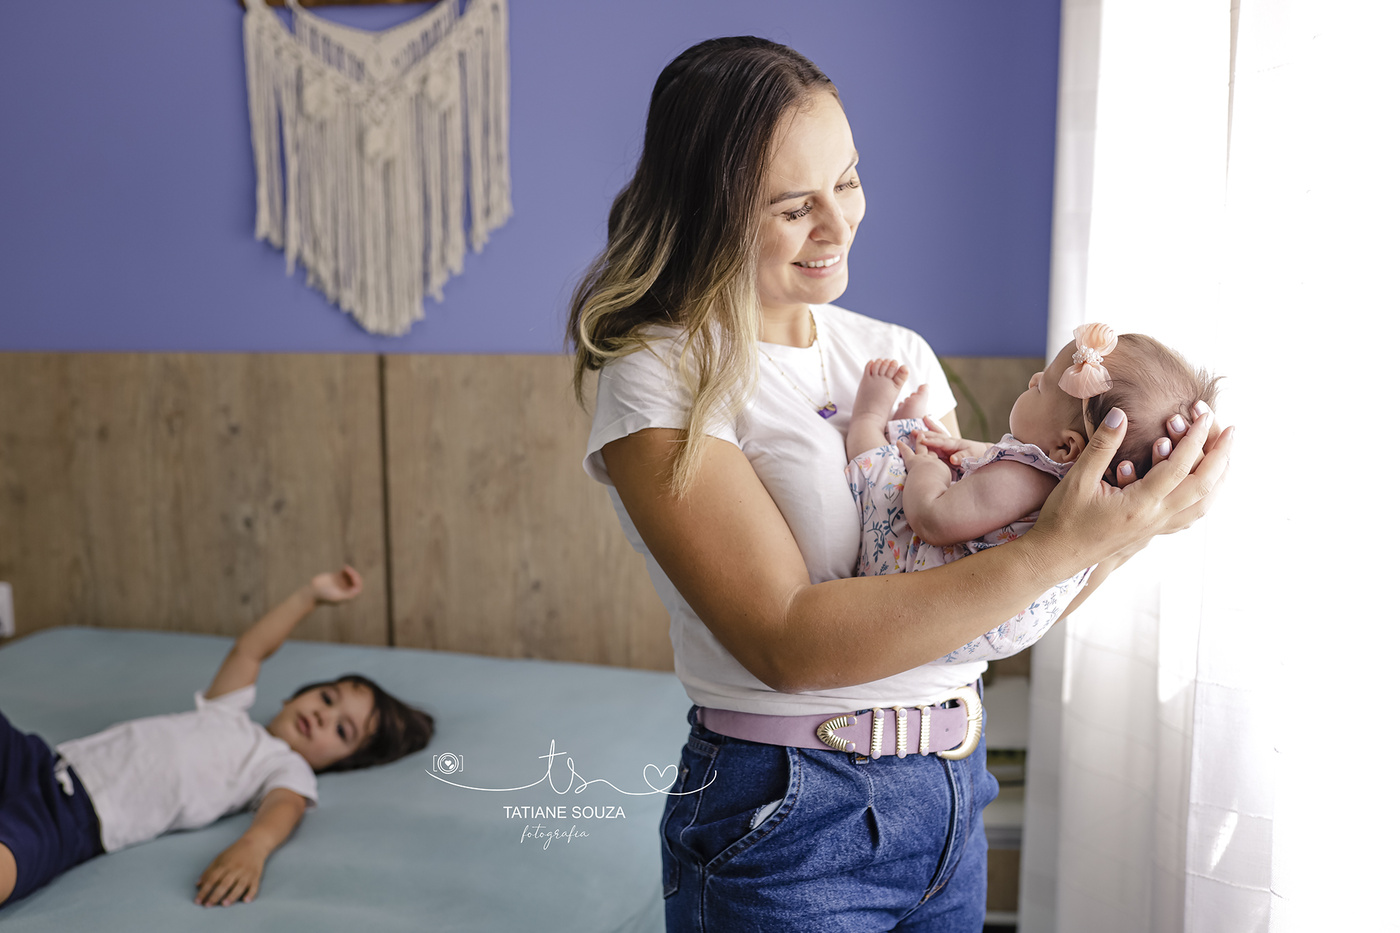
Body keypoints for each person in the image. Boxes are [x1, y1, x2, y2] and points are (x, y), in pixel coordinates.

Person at [570, 36, 1232, 932]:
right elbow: (786, 643)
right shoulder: (661, 373)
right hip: (788, 813)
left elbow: (985, 603)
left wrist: (1131, 519)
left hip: (952, 793)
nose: (838, 226)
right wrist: (1073, 543)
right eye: (794, 206)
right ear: (706, 210)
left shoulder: (894, 351)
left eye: (847, 181)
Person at [0, 566, 434, 909]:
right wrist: (309, 597)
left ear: (341, 762)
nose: (323, 716)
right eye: (327, 697)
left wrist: (253, 848)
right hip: (42, 764)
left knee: (13, 858)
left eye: (341, 730)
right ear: (294, 696)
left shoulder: (283, 766)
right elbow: (250, 649)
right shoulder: (227, 712)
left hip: (75, 819)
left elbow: (284, 808)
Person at [846, 324, 1220, 663]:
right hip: (995, 622)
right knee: (950, 455)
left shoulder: (1019, 480)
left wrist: (929, 470)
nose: (1034, 379)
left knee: (885, 472)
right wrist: (975, 451)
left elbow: (932, 519)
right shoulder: (1082, 500)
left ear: (1066, 448)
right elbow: (1004, 468)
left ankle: (870, 420)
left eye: (1041, 388)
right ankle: (909, 427)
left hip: (921, 598)